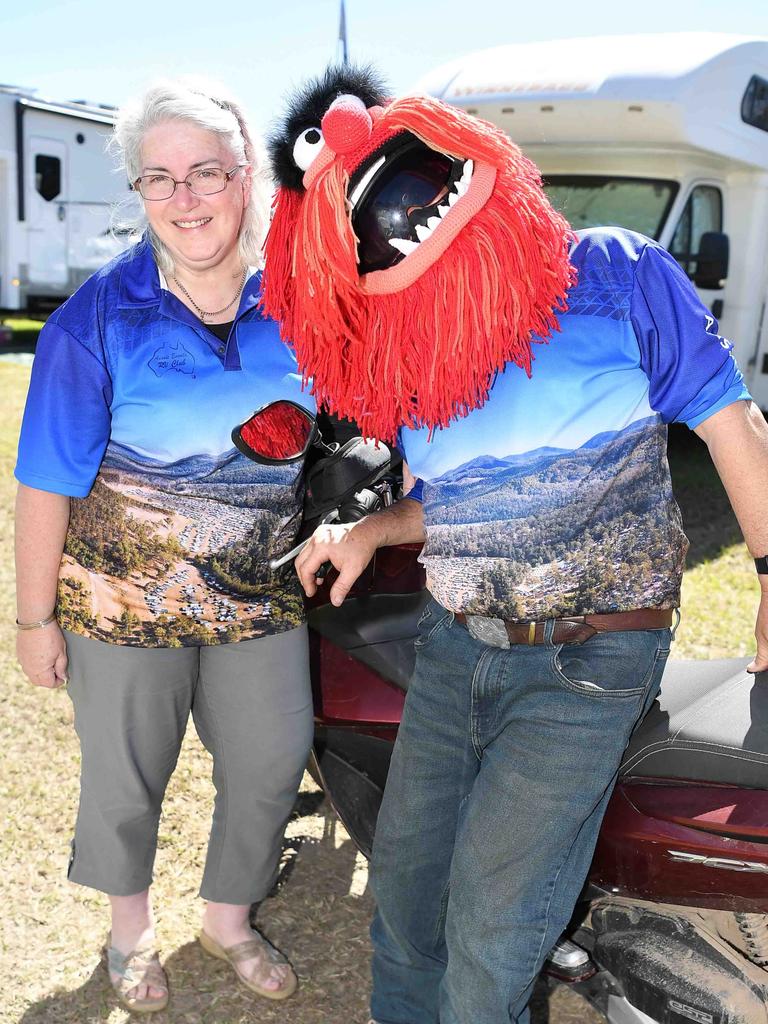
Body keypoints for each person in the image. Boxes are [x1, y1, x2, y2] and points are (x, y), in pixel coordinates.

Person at [259, 66, 768, 1024]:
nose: (400, 219)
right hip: (458, 647)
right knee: (407, 907)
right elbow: (472, 501)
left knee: (494, 934)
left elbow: (734, 426)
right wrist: (373, 526)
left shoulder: (614, 272)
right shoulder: (428, 344)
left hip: (590, 656)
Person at [14, 80, 315, 1012]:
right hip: (119, 603)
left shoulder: (303, 307)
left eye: (207, 173)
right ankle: (129, 932)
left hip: (260, 594)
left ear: (248, 179)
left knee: (273, 757)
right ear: (140, 194)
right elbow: (45, 484)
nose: (186, 198)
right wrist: (33, 619)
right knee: (124, 774)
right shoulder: (98, 319)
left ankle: (226, 919)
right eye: (160, 178)